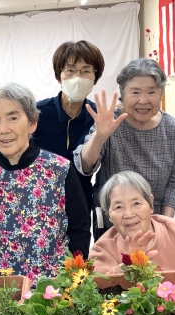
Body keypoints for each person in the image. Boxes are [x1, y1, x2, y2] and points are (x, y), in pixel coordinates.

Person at [0, 83, 90, 283]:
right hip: (4, 290)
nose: (3, 129)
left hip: (57, 287)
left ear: (32, 122)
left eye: (13, 118)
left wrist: (68, 279)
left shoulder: (60, 169)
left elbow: (79, 229)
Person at [74, 58, 175, 238]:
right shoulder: (111, 121)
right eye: (135, 92)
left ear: (161, 94)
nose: (143, 100)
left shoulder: (174, 129)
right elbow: (84, 166)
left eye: (151, 92)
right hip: (113, 222)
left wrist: (164, 224)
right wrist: (99, 136)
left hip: (155, 222)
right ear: (122, 95)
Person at [33, 40, 105, 210]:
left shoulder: (99, 117)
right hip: (40, 199)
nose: (77, 78)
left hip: (80, 199)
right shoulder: (37, 113)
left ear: (95, 77)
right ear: (59, 75)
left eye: (86, 71)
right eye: (70, 70)